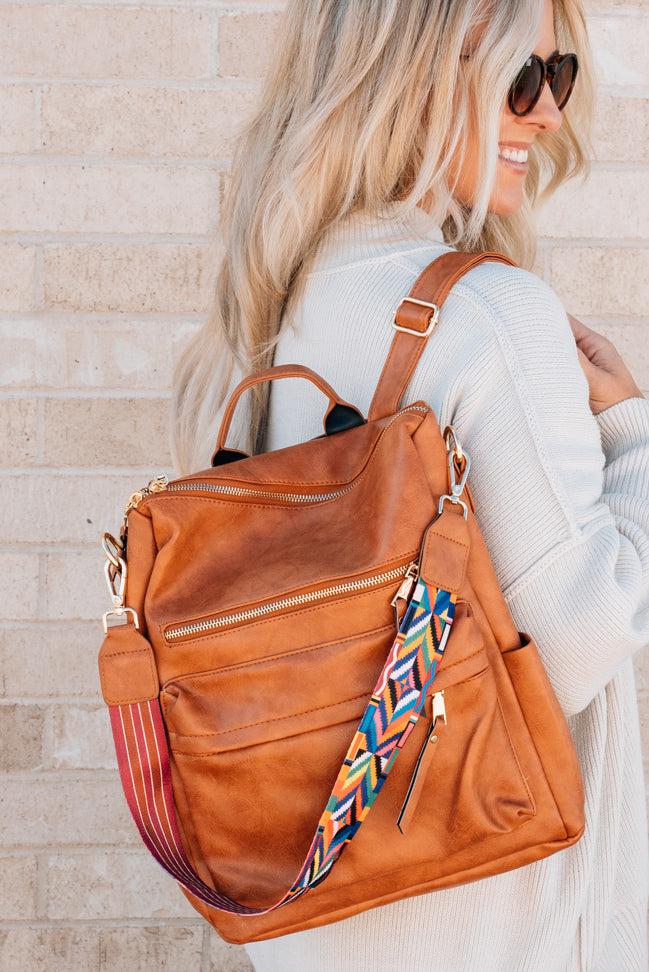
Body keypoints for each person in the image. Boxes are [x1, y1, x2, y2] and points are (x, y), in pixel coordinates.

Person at [171, 1, 649, 968]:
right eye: (524, 78)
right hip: (487, 919)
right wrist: (630, 432)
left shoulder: (268, 303)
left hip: (312, 912)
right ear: (417, 73)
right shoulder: (492, 314)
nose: (548, 115)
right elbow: (584, 629)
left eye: (557, 80)